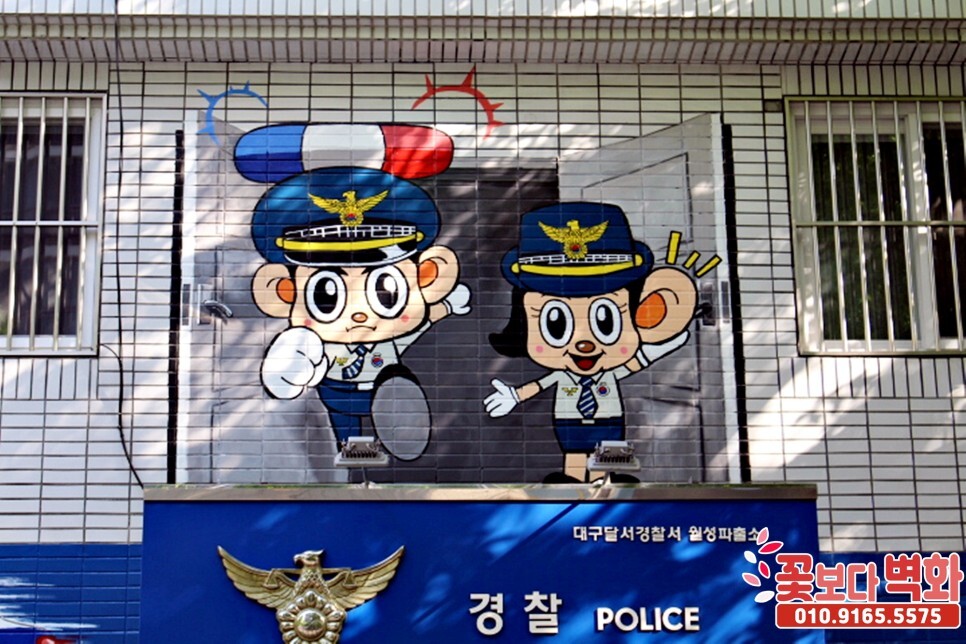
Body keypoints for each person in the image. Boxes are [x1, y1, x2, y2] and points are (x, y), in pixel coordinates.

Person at [246, 163, 469, 460]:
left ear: (429, 276)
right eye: (326, 295)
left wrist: (447, 306)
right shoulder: (320, 347)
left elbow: (420, 326)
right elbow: (305, 364)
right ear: (282, 291)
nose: (359, 314)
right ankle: (360, 460)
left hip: (382, 390)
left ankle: (399, 435)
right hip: (336, 393)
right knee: (347, 431)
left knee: (391, 403)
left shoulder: (386, 340)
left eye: (385, 291)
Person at [484, 202, 696, 483]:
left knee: (608, 453)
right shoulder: (564, 374)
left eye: (606, 321)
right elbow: (541, 384)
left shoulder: (609, 371)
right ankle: (572, 485)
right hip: (569, 420)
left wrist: (668, 341)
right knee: (574, 456)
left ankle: (607, 483)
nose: (584, 344)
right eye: (555, 324)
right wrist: (514, 396)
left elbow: (641, 359)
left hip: (610, 418)